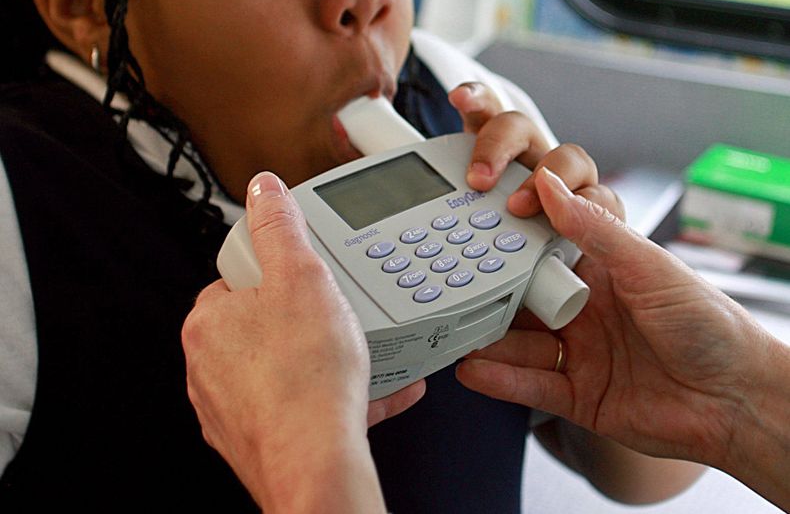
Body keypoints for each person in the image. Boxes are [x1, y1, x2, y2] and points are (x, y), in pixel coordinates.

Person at [0, 0, 702, 511]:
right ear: (87, 5)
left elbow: (643, 472)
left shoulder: (458, 99)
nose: (364, 0)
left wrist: (606, 317)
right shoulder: (19, 209)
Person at [182, 167, 790, 513]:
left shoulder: (486, 128)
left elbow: (644, 481)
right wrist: (731, 403)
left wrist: (303, 467)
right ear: (84, 11)